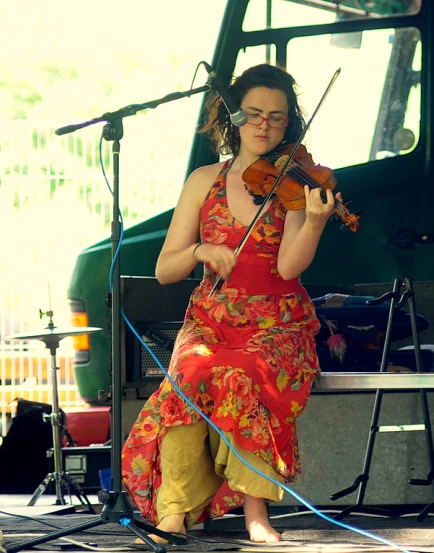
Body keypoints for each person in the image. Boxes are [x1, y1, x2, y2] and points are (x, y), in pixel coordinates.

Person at [121, 63, 338, 544]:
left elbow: (287, 269)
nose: (264, 125)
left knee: (241, 373)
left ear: (289, 124)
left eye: (277, 117)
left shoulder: (295, 183)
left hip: (278, 322)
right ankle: (172, 509)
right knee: (191, 375)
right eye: (255, 114)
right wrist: (200, 250)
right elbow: (165, 269)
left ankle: (255, 511)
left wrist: (316, 222)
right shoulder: (203, 181)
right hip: (212, 320)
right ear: (234, 117)